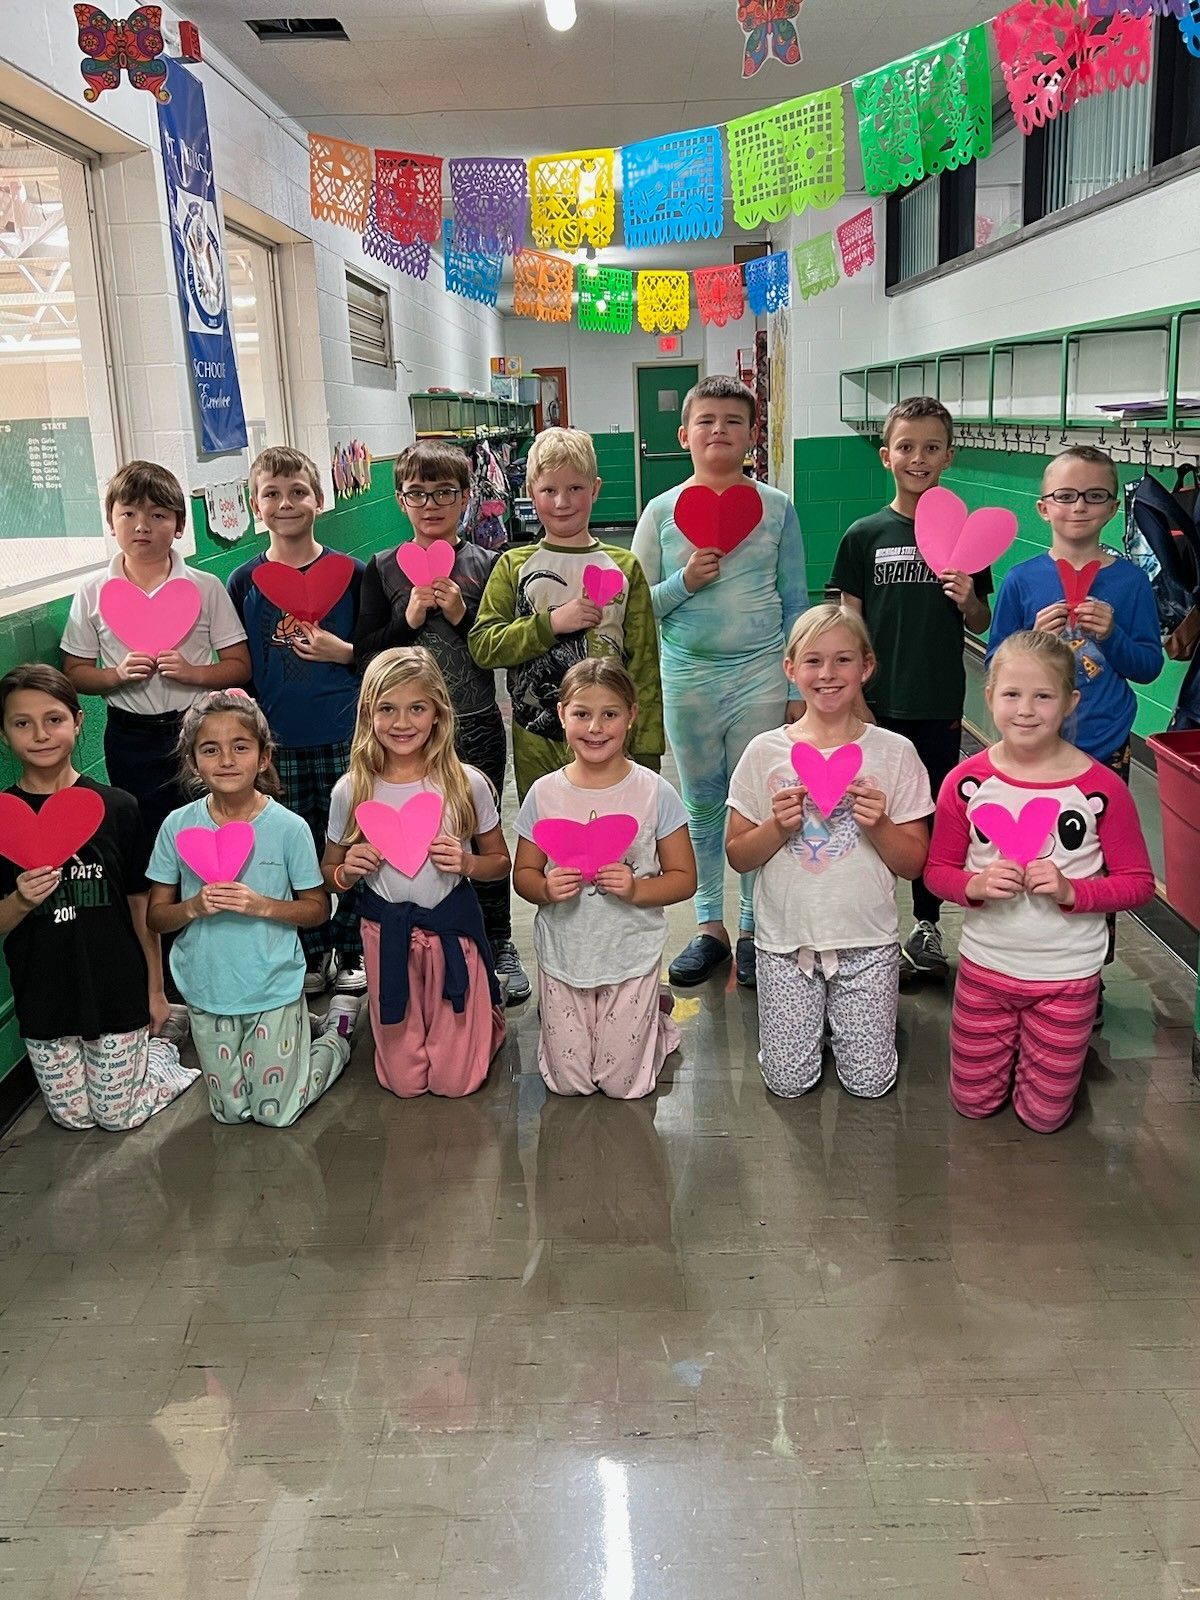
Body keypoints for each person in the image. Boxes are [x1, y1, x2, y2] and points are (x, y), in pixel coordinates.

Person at [926, 631, 1154, 1133]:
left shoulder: (1100, 787)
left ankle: (1048, 1066)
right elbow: (937, 872)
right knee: (972, 1103)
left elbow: (1137, 883)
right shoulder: (965, 783)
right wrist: (975, 885)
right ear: (988, 697)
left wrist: (1075, 892)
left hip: (1066, 977)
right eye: (1011, 694)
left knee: (1044, 1117)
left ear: (1071, 701)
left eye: (1043, 696)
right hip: (986, 969)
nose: (1026, 710)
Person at [631, 374, 809, 992]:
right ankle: (710, 925)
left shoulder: (778, 508)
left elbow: (795, 601)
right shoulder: (660, 512)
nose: (719, 432)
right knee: (704, 803)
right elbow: (636, 607)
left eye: (733, 422)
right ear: (684, 434)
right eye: (706, 421)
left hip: (761, 671)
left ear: (752, 435)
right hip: (688, 677)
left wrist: (796, 687)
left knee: (758, 800)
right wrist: (685, 582)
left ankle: (756, 926)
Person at [725, 605, 931, 1100]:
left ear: (866, 666)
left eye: (842, 661)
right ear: (791, 668)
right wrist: (777, 825)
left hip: (868, 941)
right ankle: (810, 1027)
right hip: (785, 945)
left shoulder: (895, 753)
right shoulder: (764, 753)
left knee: (870, 1083)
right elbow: (738, 855)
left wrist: (878, 823)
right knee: (788, 1083)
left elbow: (913, 863)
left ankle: (860, 1025)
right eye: (813, 661)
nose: (828, 674)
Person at [353, 440, 529, 1006]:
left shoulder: (488, 564)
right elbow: (365, 653)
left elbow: (498, 649)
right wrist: (407, 619)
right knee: (415, 837)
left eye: (445, 493)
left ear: (466, 497)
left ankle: (498, 939)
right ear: (400, 499)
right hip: (405, 737)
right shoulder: (381, 570)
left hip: (473, 723)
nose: (431, 505)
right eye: (418, 494)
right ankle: (423, 931)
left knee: (478, 833)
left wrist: (461, 614)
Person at [830, 396, 992, 987]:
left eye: (930, 447)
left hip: (938, 704)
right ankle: (861, 920)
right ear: (886, 456)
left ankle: (926, 924)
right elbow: (847, 624)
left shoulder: (967, 536)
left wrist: (969, 596)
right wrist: (853, 698)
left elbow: (979, 622)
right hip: (874, 705)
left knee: (929, 816)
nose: (917, 458)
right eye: (906, 447)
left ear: (948, 455)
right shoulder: (864, 535)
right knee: (863, 810)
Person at [0, 665, 198, 1129]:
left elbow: (139, 907)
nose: (40, 734)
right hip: (44, 997)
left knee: (118, 1116)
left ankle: (163, 1052)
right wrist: (21, 900)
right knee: (75, 1119)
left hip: (116, 991)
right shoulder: (3, 819)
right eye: (21, 723)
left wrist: (155, 990)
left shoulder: (118, 807)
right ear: (5, 732)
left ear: (78, 721)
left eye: (54, 719)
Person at [145, 690, 354, 1127]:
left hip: (272, 987)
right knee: (231, 1113)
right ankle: (300, 1039)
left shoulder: (288, 828)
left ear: (262, 758)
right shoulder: (177, 827)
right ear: (194, 762)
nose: (226, 759)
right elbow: (156, 917)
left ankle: (333, 1040)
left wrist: (263, 906)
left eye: (240, 747)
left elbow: (317, 908)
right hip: (207, 988)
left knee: (276, 1112)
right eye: (210, 749)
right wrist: (194, 907)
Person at [322, 647, 508, 1099]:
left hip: (452, 934)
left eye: (416, 708)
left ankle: (484, 1013)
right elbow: (329, 871)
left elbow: (499, 862)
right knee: (403, 1083)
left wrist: (466, 863)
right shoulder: (352, 790)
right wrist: (347, 871)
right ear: (369, 713)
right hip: (386, 939)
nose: (402, 723)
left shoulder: (466, 783)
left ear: (438, 715)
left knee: (455, 1082)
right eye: (388, 709)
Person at [513, 659, 695, 1099]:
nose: (595, 727)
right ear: (561, 715)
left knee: (623, 1086)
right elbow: (523, 874)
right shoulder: (544, 793)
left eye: (610, 714)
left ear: (632, 716)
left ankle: (656, 1020)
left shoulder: (654, 792)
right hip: (564, 953)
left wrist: (635, 889)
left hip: (630, 953)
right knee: (567, 1084)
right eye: (581, 714)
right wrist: (544, 888)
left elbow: (684, 878)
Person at [227, 446, 366, 1005]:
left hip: (345, 737)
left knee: (352, 844)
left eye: (298, 492)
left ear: (320, 498)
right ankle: (312, 951)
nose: (286, 504)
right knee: (294, 853)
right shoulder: (244, 581)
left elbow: (377, 654)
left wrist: (342, 652)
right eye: (272, 494)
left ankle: (352, 945)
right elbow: (243, 665)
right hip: (278, 743)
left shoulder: (354, 574)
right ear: (254, 504)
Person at [469, 426, 663, 801]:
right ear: (531, 493)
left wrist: (645, 747)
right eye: (549, 491)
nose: (562, 502)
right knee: (545, 838)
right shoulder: (513, 564)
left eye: (575, 488)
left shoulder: (624, 566)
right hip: (536, 733)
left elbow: (643, 665)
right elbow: (484, 645)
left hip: (610, 733)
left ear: (595, 489)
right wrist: (551, 624)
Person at [61, 460, 250, 843]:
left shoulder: (205, 586)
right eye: (128, 513)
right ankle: (156, 904)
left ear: (179, 526)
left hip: (197, 728)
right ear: (111, 523)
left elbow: (239, 666)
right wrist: (115, 675)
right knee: (144, 834)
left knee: (208, 823)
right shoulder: (92, 591)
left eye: (157, 514)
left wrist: (192, 672)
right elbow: (75, 673)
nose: (142, 525)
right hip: (129, 736)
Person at [985, 446, 1162, 776]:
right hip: (1033, 737)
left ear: (1113, 508)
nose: (1079, 506)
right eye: (1065, 496)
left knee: (1099, 823)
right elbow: (993, 664)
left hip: (1106, 741)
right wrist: (1032, 642)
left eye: (1094, 496)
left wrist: (1111, 636)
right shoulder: (1020, 580)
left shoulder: (1132, 582)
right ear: (1043, 508)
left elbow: (1149, 667)